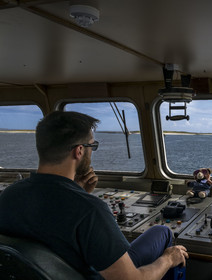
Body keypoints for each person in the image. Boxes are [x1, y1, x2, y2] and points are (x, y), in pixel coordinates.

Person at [0, 111, 188, 280]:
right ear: (79, 150)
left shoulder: (8, 196)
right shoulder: (88, 210)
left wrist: (77, 190)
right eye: (92, 145)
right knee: (162, 232)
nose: (92, 151)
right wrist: (168, 259)